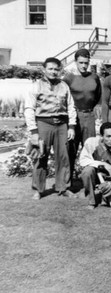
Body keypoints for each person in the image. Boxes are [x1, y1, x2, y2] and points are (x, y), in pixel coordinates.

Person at [24, 57, 77, 200]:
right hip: (43, 123)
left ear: (60, 70)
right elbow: (29, 108)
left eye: (56, 69)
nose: (53, 72)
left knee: (63, 157)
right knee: (41, 156)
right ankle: (38, 189)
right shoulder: (36, 86)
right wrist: (34, 131)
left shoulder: (64, 86)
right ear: (44, 70)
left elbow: (71, 106)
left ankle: (63, 187)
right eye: (50, 69)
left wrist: (71, 126)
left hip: (61, 124)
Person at [63, 48, 101, 180]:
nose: (84, 66)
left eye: (86, 62)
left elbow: (97, 97)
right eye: (81, 63)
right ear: (75, 62)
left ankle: (90, 181)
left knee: (91, 148)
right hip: (74, 117)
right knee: (71, 149)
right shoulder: (69, 78)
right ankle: (67, 182)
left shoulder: (94, 77)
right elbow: (64, 98)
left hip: (89, 116)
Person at [79, 122, 111, 209]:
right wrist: (103, 164)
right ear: (102, 136)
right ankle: (92, 201)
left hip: (109, 179)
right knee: (87, 171)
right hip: (94, 176)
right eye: (108, 136)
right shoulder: (91, 143)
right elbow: (83, 161)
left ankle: (100, 195)